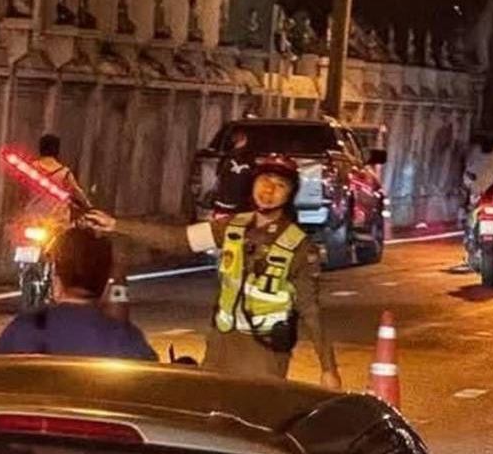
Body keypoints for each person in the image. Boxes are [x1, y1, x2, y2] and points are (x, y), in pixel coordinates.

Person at [86, 156, 341, 387]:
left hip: (264, 355)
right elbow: (179, 239)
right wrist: (116, 225)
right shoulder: (231, 227)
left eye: (280, 185)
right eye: (264, 180)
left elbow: (311, 311)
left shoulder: (298, 246)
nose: (269, 190)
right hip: (221, 347)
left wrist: (328, 369)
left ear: (290, 194)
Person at [0, 225, 157, 361]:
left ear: (56, 279)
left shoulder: (22, 329)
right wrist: (119, 280)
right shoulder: (126, 340)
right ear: (107, 285)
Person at [213, 128, 256, 216]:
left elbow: (218, 174)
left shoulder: (226, 158)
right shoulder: (248, 159)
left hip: (223, 202)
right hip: (239, 205)